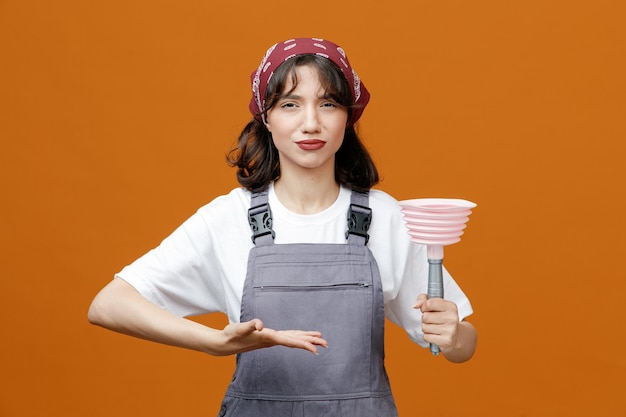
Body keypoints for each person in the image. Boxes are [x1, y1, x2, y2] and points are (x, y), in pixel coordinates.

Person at [88, 37, 477, 416]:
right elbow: (108, 304)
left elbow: (461, 345)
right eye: (291, 104)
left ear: (348, 117)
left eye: (328, 103)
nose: (311, 123)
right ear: (266, 117)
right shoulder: (228, 219)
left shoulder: (387, 217)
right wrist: (215, 342)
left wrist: (454, 335)